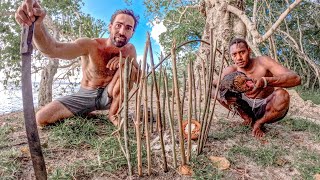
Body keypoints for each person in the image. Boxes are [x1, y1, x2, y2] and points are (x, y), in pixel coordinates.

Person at [15, 0, 140, 127]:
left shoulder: (130, 50)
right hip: (86, 95)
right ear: (110, 26)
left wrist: (126, 62)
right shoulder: (90, 45)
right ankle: (85, 112)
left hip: (111, 97)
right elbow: (52, 49)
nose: (122, 31)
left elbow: (139, 77)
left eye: (128, 28)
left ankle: (113, 115)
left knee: (130, 68)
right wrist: (37, 25)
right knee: (41, 118)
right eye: (118, 25)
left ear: (133, 32)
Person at [214, 38, 301, 138]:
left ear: (249, 50)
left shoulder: (263, 62)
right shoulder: (231, 70)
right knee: (222, 93)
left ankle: (259, 123)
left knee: (282, 95)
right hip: (244, 108)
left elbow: (296, 79)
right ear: (231, 56)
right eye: (234, 54)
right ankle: (247, 118)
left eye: (242, 52)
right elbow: (211, 87)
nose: (239, 57)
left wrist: (266, 81)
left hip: (267, 107)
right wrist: (222, 97)